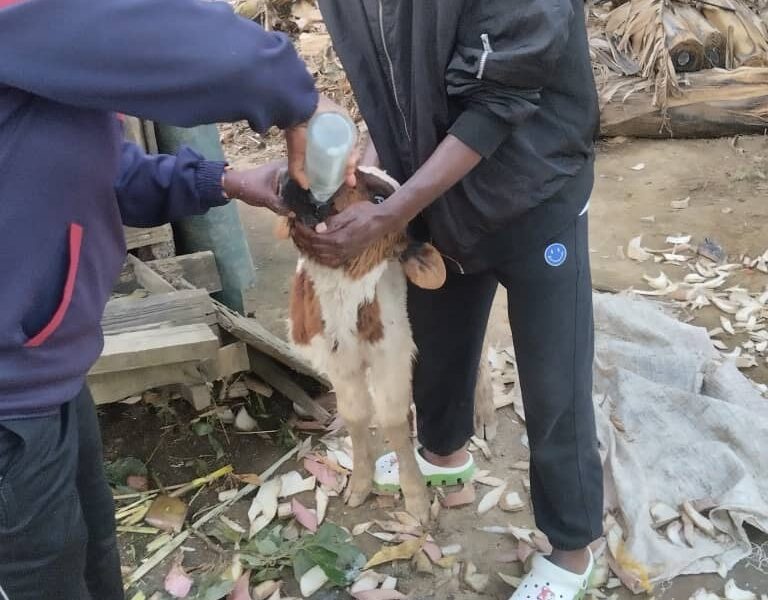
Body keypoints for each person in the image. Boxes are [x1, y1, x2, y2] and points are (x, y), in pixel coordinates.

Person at [0, 0, 349, 598]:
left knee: (89, 552)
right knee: (42, 577)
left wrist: (225, 181)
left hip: (45, 367)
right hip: (10, 404)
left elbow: (99, 168)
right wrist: (300, 101)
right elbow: (172, 39)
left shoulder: (37, 61)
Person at [290, 2, 604, 599]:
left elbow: (496, 103)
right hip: (438, 196)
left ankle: (570, 549)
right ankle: (444, 455)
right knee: (436, 338)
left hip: (536, 193)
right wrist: (378, 168)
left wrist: (392, 210)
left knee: (553, 377)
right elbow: (393, 77)